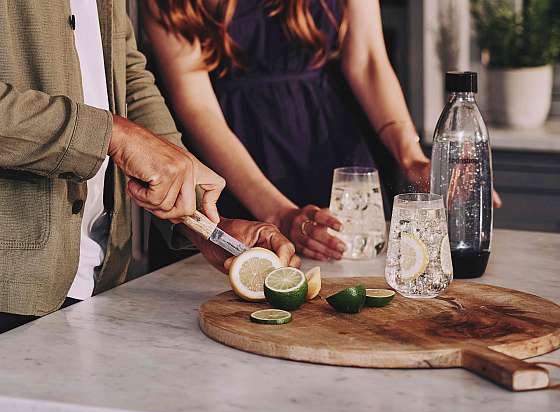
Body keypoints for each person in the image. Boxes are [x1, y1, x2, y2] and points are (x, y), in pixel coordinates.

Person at [0, 0, 298, 334]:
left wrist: (202, 217)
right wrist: (113, 135)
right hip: (11, 287)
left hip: (103, 275)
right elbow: (120, 130)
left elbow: (128, 75)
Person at [142, 0, 438, 263]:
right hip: (237, 172)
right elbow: (198, 108)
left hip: (336, 162)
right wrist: (278, 214)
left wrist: (411, 157)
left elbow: (369, 60)